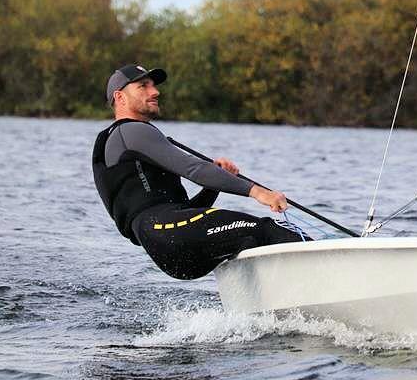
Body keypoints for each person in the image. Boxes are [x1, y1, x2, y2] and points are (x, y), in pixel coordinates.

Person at [92, 64, 307, 280]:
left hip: (167, 245)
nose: (155, 91)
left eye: (153, 86)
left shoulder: (125, 141)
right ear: (120, 98)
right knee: (267, 230)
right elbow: (193, 168)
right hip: (167, 233)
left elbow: (181, 213)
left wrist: (211, 187)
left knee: (248, 238)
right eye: (143, 86)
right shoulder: (130, 131)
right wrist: (259, 192)